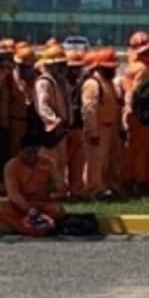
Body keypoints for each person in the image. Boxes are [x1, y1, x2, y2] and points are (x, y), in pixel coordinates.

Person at [0, 135, 65, 237]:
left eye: (35, 152)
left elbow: (60, 185)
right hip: (20, 205)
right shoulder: (11, 166)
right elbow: (13, 194)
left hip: (41, 204)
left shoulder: (49, 163)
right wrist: (29, 209)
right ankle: (26, 229)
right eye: (27, 153)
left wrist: (49, 188)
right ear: (20, 151)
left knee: (58, 209)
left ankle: (41, 224)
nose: (31, 156)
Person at [80, 49, 120, 199]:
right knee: (94, 161)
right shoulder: (93, 84)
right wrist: (93, 131)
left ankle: (101, 187)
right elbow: (89, 109)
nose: (112, 70)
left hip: (109, 127)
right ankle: (92, 189)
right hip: (98, 127)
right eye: (108, 67)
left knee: (104, 161)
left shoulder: (108, 83)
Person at [122, 31, 149, 195]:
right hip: (139, 114)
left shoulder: (131, 67)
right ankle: (140, 182)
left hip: (130, 113)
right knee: (142, 151)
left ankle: (129, 180)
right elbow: (137, 93)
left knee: (131, 149)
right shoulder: (143, 70)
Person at [34, 45, 71, 197]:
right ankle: (45, 191)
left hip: (61, 129)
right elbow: (43, 106)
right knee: (48, 162)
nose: (64, 67)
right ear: (51, 65)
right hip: (50, 130)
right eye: (60, 64)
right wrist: (54, 122)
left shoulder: (61, 82)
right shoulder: (44, 82)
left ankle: (59, 191)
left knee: (61, 162)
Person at [64, 51, 88, 200]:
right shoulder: (62, 84)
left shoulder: (79, 85)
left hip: (78, 128)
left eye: (78, 68)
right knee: (63, 162)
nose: (76, 71)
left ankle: (76, 190)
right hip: (65, 130)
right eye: (73, 68)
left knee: (77, 162)